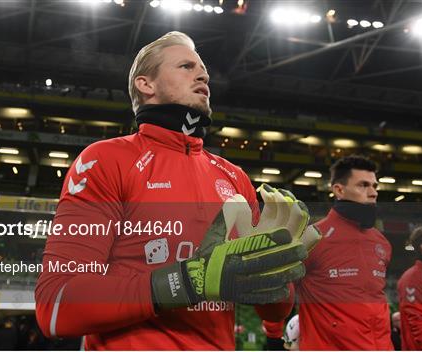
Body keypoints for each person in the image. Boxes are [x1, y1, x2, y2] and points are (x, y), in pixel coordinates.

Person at [35, 31, 311, 350]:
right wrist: (186, 282)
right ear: (146, 84)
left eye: (203, 68)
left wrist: (276, 271)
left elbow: (273, 309)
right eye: (186, 66)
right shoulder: (106, 160)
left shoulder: (234, 177)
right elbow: (55, 305)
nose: (203, 74)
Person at [290, 155, 394, 349]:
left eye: (375, 186)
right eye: (363, 185)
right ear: (339, 189)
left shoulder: (382, 243)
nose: (373, 193)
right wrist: (273, 332)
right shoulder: (312, 239)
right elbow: (282, 292)